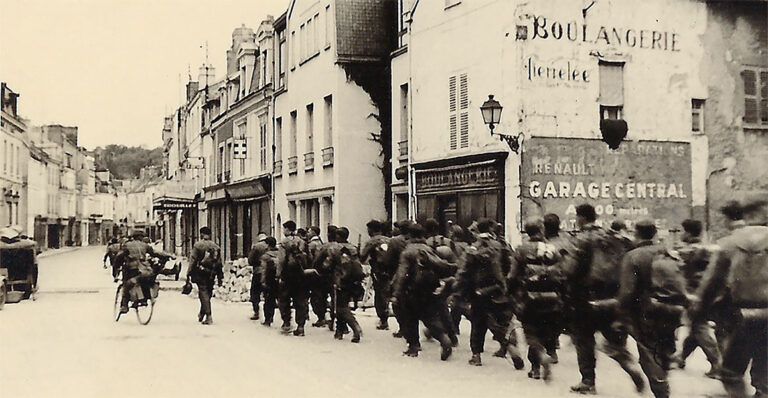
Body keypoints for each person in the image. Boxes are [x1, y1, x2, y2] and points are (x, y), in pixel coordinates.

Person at [564, 204, 645, 395]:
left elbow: (569, 270)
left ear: (581, 218)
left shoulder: (581, 239)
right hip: (612, 298)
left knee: (584, 339)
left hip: (585, 299)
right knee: (612, 339)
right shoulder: (615, 238)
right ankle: (628, 364)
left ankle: (588, 382)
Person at [695, 199, 768, 398]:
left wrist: (698, 313)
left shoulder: (728, 244)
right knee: (764, 371)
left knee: (731, 373)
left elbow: (710, 284)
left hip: (744, 315)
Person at [618, 220, 688, 398]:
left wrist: (621, 313)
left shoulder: (632, 256)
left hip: (646, 311)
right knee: (665, 349)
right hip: (672, 308)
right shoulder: (667, 252)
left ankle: (662, 392)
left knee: (648, 353)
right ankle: (663, 382)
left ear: (637, 234)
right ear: (655, 233)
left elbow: (628, 291)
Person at [508, 218, 563, 380]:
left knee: (531, 333)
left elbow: (512, 276)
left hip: (529, 297)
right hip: (551, 297)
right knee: (544, 330)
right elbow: (562, 273)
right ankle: (540, 361)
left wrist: (511, 295)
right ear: (541, 230)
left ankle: (538, 363)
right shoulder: (552, 248)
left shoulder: (521, 249)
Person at [391, 223, 455, 360]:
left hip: (411, 290)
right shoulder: (428, 249)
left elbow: (402, 274)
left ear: (409, 235)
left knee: (410, 318)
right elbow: (440, 266)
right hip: (429, 288)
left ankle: (413, 347)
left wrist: (396, 293)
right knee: (430, 317)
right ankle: (444, 338)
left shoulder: (407, 251)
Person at [455, 218, 513, 367]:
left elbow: (464, 270)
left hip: (478, 291)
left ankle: (476, 356)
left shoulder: (473, 248)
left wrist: (458, 287)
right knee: (499, 319)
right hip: (498, 288)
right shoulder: (501, 245)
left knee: (478, 322)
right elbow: (509, 264)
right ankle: (507, 345)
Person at [673, 219, 722, 376]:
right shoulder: (706, 248)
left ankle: (717, 364)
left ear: (688, 232)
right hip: (706, 293)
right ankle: (681, 358)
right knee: (695, 328)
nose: (681, 234)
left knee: (699, 327)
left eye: (683, 231)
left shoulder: (690, 251)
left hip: (694, 293)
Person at [117, 230, 174, 316]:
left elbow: (119, 257)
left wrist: (117, 266)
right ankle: (144, 299)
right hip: (145, 268)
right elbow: (155, 253)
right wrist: (168, 256)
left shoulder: (127, 245)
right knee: (145, 281)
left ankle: (124, 306)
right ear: (141, 237)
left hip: (132, 269)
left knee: (126, 284)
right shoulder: (145, 245)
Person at [326, 227, 365, 342]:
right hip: (353, 280)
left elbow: (327, 264)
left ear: (338, 236)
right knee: (343, 304)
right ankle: (339, 331)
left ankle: (355, 327)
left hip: (340, 280)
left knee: (341, 307)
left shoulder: (334, 248)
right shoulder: (353, 248)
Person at [277, 220, 312, 336]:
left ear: (287, 229)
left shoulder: (284, 243)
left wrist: (279, 274)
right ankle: (301, 326)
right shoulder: (302, 242)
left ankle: (287, 323)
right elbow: (309, 258)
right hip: (301, 274)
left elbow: (281, 260)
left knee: (284, 299)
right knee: (301, 299)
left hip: (288, 274)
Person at [185, 227, 223, 325]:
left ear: (201, 234)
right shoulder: (216, 246)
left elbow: (193, 259)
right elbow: (219, 263)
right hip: (212, 273)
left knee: (203, 292)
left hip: (200, 272)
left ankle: (209, 316)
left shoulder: (198, 245)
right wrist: (220, 277)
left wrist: (188, 272)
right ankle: (202, 313)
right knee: (208, 293)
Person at [361, 220, 392, 330]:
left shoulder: (372, 242)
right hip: (391, 271)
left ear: (371, 230)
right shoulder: (389, 240)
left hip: (379, 271)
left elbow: (363, 256)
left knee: (380, 295)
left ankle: (383, 320)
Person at [385, 220, 413, 338]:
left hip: (398, 275)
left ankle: (403, 328)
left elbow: (388, 260)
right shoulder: (417, 240)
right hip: (415, 276)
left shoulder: (394, 241)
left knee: (398, 304)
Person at [311, 225, 338, 329]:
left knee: (320, 297)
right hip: (340, 276)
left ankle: (321, 318)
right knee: (336, 299)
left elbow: (317, 261)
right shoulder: (345, 246)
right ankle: (336, 319)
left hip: (325, 276)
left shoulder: (325, 247)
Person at [259, 237, 280, 327]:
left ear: (267, 245)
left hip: (269, 280)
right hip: (280, 279)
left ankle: (268, 318)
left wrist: (262, 281)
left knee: (268, 300)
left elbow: (263, 270)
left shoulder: (265, 256)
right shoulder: (280, 254)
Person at [248, 233, 269, 321]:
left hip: (258, 271)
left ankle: (256, 312)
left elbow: (250, 260)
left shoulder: (256, 246)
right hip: (268, 272)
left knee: (255, 292)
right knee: (267, 294)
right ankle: (268, 316)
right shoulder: (271, 246)